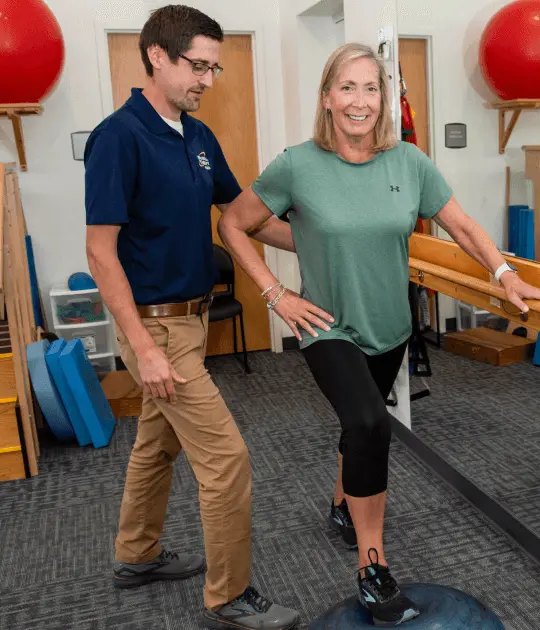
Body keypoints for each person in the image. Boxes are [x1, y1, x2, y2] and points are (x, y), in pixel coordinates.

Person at [217, 42, 540, 626]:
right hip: (325, 326)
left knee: (360, 425)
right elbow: (234, 223)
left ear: (385, 100)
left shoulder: (409, 163)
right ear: (327, 98)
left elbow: (462, 224)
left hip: (390, 326)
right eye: (347, 88)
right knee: (372, 424)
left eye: (371, 89)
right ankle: (373, 566)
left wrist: (506, 275)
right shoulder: (298, 164)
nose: (360, 101)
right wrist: (277, 293)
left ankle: (341, 502)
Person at [84, 6, 300, 629]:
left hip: (192, 320)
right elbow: (100, 251)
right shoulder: (118, 136)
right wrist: (142, 348)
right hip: (152, 327)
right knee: (226, 459)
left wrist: (323, 241)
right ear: (157, 55)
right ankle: (228, 596)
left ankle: (137, 555)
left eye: (214, 67)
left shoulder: (198, 137)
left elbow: (243, 215)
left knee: (157, 445)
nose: (208, 78)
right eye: (197, 65)